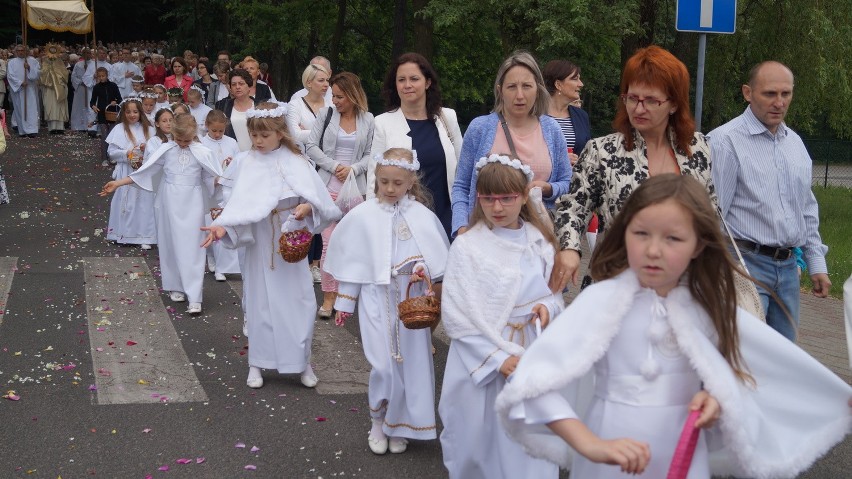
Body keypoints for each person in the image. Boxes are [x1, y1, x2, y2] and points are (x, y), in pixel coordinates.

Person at [496, 174, 852, 478]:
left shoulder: (709, 309)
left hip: (682, 457)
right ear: (624, 234)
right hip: (607, 456)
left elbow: (758, 370)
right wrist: (590, 444)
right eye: (642, 234)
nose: (653, 250)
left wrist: (716, 398)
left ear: (699, 245)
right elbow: (534, 383)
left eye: (673, 239)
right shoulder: (599, 303)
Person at [549, 46, 716, 293]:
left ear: (673, 104)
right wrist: (571, 249)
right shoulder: (602, 151)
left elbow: (710, 210)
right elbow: (572, 208)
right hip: (615, 285)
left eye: (650, 100)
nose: (638, 108)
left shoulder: (698, 148)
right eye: (632, 98)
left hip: (682, 287)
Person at [200, 102, 341, 389]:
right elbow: (235, 203)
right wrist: (221, 227)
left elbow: (319, 202)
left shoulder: (297, 160)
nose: (258, 141)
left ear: (280, 133)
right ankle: (258, 362)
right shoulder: (244, 161)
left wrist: (305, 208)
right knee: (260, 302)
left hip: (292, 239)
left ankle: (302, 362)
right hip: (260, 240)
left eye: (264, 135)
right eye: (254, 135)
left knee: (299, 302)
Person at [439, 155, 563, 478]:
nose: (497, 207)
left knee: (527, 438)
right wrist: (497, 359)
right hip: (482, 357)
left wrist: (548, 308)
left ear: (523, 196)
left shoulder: (540, 241)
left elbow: (555, 294)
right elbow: (457, 314)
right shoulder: (468, 246)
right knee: (480, 438)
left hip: (530, 352)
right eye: (489, 198)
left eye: (507, 198)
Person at [324, 148, 450, 455]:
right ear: (376, 181)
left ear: (410, 182)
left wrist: (422, 270)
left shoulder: (422, 216)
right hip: (374, 297)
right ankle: (378, 421)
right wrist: (344, 303)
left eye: (397, 183)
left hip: (411, 299)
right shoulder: (364, 215)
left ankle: (400, 425)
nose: (390, 189)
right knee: (382, 363)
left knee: (410, 364)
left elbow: (435, 260)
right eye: (384, 182)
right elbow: (354, 263)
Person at [709, 61, 831, 342]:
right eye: (770, 94)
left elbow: (806, 208)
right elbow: (714, 217)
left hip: (788, 269)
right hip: (743, 265)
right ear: (748, 92)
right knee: (743, 356)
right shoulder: (726, 141)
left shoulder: (795, 144)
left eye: (786, 94)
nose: (779, 103)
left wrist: (816, 263)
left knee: (783, 361)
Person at [102, 114, 222, 316]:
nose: (183, 144)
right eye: (179, 139)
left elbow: (211, 177)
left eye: (187, 140)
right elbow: (145, 172)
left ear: (194, 136)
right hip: (167, 201)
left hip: (192, 202)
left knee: (193, 246)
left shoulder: (203, 152)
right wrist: (118, 183)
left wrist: (219, 187)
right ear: (173, 134)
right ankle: (175, 285)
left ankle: (195, 295)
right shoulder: (166, 150)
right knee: (169, 243)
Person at [451, 51, 569, 237]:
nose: (520, 95)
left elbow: (566, 181)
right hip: (485, 236)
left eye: (527, 86)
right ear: (500, 90)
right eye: (512, 87)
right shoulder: (480, 128)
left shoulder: (552, 129)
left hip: (536, 239)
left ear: (537, 89)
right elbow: (461, 186)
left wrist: (548, 188)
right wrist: (461, 228)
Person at [369, 52, 463, 238]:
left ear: (427, 82)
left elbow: (462, 168)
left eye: (414, 79)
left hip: (446, 217)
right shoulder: (383, 123)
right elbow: (374, 177)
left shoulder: (447, 118)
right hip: (402, 222)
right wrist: (374, 221)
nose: (407, 85)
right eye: (401, 80)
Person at [304, 72, 374, 318]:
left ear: (354, 95)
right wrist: (334, 166)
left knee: (353, 245)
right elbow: (311, 146)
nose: (334, 100)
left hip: (355, 190)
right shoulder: (326, 115)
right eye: (333, 95)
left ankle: (349, 295)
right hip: (328, 187)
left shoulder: (368, 120)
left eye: (340, 96)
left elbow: (370, 154)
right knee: (328, 244)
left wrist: (354, 169)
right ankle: (329, 296)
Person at [101, 98, 156, 249]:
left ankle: (145, 236)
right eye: (128, 112)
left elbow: (156, 150)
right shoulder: (119, 129)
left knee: (144, 203)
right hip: (126, 170)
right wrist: (127, 153)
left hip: (143, 171)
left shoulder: (149, 130)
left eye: (135, 112)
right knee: (126, 202)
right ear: (124, 113)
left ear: (140, 112)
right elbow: (111, 154)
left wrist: (145, 150)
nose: (132, 115)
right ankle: (123, 233)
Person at [200, 109, 240, 282]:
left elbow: (239, 163)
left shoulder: (232, 143)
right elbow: (199, 170)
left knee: (224, 225)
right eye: (213, 130)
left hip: (228, 190)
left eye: (221, 131)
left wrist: (232, 166)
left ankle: (224, 264)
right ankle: (211, 256)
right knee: (209, 223)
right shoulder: (201, 144)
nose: (217, 134)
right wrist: (213, 181)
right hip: (211, 190)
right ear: (207, 126)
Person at [543, 59, 591, 164]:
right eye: (575, 79)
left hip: (574, 179)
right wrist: (557, 160)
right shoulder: (535, 115)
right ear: (558, 85)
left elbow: (588, 153)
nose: (581, 84)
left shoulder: (581, 116)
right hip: (542, 179)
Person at [286, 63, 331, 152]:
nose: (326, 84)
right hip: (303, 157)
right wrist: (326, 134)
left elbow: (338, 135)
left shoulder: (332, 106)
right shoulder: (295, 104)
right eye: (321, 80)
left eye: (327, 80)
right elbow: (295, 135)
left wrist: (306, 132)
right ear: (309, 83)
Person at [215, 69, 257, 151]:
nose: (237, 87)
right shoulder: (222, 105)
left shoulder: (260, 106)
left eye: (241, 84)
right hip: (231, 155)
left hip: (257, 154)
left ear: (249, 86)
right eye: (233, 84)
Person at [90, 67, 123, 165]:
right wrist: (93, 106)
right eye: (99, 76)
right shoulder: (96, 87)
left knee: (112, 136)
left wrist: (115, 101)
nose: (101, 78)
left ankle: (112, 155)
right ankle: (104, 158)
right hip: (101, 114)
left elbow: (120, 99)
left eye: (103, 76)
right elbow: (92, 101)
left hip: (113, 114)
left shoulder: (113, 86)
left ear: (107, 75)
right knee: (104, 136)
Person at [7, 45, 41, 138]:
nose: (21, 52)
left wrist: (29, 68)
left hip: (30, 89)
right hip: (18, 89)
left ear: (26, 51)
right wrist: (20, 83)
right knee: (19, 109)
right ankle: (22, 130)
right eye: (19, 51)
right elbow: (10, 75)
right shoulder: (11, 62)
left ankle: (32, 130)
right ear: (16, 52)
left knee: (31, 109)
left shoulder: (33, 61)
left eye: (23, 50)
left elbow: (37, 74)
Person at [39, 46, 70, 135]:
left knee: (60, 108)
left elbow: (64, 75)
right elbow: (42, 75)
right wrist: (50, 75)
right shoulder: (45, 63)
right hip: (50, 89)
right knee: (51, 107)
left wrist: (60, 78)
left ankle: (60, 127)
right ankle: (52, 127)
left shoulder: (60, 63)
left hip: (60, 88)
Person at [70, 49, 94, 131]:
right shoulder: (78, 64)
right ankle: (78, 125)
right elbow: (73, 77)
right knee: (79, 106)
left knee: (89, 106)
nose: (87, 55)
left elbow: (95, 76)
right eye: (85, 53)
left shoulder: (94, 64)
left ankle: (89, 125)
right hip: (80, 88)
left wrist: (88, 80)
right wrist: (81, 82)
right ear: (82, 54)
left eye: (88, 53)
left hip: (90, 88)